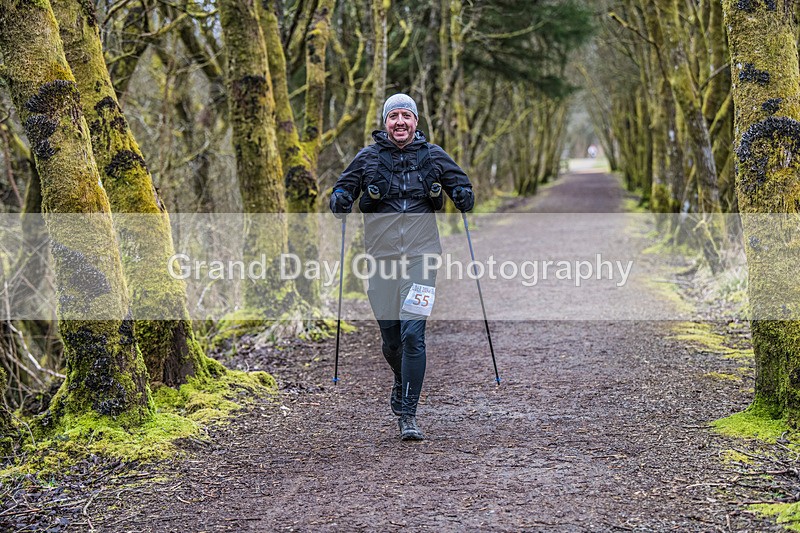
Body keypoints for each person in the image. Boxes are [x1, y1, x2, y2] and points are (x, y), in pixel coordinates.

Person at [329, 93, 474, 441]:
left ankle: (408, 412)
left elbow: (464, 189)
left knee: (413, 334)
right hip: (380, 261)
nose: (399, 122)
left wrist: (463, 196)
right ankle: (400, 379)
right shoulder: (368, 158)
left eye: (405, 116)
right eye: (393, 116)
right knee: (392, 340)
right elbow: (338, 196)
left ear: (415, 122)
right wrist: (342, 199)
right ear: (385, 122)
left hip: (423, 259)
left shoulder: (433, 156)